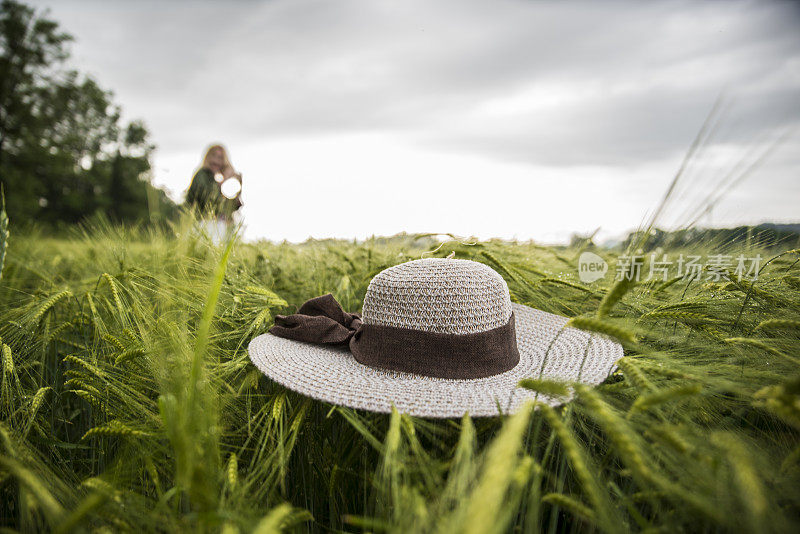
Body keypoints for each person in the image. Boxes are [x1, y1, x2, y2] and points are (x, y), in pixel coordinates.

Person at [186, 144, 243, 242]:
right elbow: (208, 200)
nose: (216, 161)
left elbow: (232, 207)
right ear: (208, 157)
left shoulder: (223, 180)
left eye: (220, 158)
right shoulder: (202, 175)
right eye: (214, 156)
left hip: (220, 226)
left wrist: (236, 186)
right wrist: (221, 185)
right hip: (202, 223)